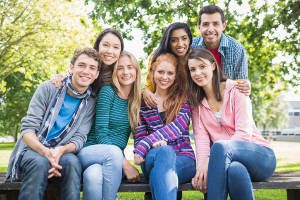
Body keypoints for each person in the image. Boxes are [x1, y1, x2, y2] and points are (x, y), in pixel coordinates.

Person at [6, 47, 101, 200]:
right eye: (81, 65)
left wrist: (60, 151)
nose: (86, 71)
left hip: (62, 151)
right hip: (34, 148)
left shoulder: (90, 102)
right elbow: (27, 129)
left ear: (96, 74)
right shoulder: (48, 88)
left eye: (92, 68)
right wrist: (46, 152)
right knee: (39, 163)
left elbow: (79, 138)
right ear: (71, 68)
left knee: (73, 163)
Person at [186, 48, 276, 200]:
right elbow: (201, 142)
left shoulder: (237, 90)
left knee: (219, 146)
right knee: (235, 171)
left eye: (202, 66)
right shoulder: (197, 104)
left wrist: (211, 160)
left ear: (213, 66)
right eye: (192, 69)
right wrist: (201, 168)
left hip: (261, 156)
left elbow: (243, 133)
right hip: (230, 161)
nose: (197, 73)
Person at [77, 51, 141, 200]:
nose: (126, 72)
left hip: (111, 159)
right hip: (90, 151)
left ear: (136, 71)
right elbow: (101, 132)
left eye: (130, 67)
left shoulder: (137, 100)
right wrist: (125, 163)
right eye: (120, 68)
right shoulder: (108, 92)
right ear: (114, 72)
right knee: (113, 153)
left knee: (93, 176)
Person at [134, 53, 196, 200]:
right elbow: (139, 135)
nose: (165, 77)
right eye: (160, 72)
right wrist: (154, 147)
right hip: (152, 158)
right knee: (163, 153)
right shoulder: (143, 103)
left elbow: (177, 127)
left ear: (175, 76)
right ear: (152, 73)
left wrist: (145, 145)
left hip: (184, 158)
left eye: (170, 73)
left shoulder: (183, 100)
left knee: (162, 171)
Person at [191, 4, 250, 95]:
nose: (210, 29)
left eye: (215, 24)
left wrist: (246, 85)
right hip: (197, 99)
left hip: (226, 99)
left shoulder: (237, 49)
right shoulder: (191, 47)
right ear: (199, 27)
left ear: (223, 26)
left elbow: (241, 84)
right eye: (206, 24)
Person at [143, 22, 192, 107]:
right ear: (168, 42)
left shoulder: (195, 58)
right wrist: (146, 91)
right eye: (174, 40)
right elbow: (150, 86)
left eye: (184, 38)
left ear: (190, 39)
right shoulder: (158, 57)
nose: (180, 44)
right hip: (164, 106)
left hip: (188, 106)